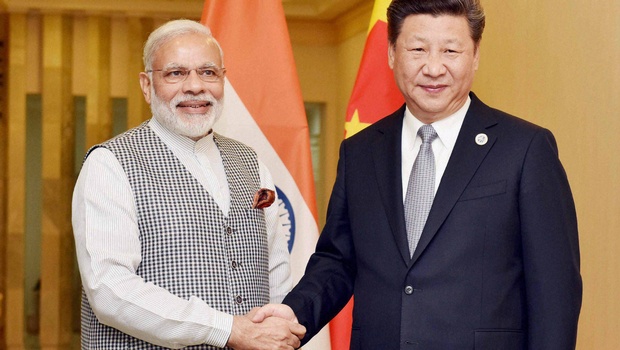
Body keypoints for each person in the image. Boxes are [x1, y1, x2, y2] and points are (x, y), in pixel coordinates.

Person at [254, 0, 582, 349]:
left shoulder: (525, 148)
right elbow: (338, 260)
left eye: (451, 50)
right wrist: (295, 313)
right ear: (393, 54)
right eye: (418, 49)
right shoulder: (361, 152)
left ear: (475, 55)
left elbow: (554, 291)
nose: (434, 67)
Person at [72, 19, 305, 350]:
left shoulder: (252, 163)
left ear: (223, 80)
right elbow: (109, 288)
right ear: (147, 85)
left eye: (208, 72)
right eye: (175, 73)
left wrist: (279, 330)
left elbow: (277, 267)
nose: (195, 86)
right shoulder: (109, 165)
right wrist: (227, 329)